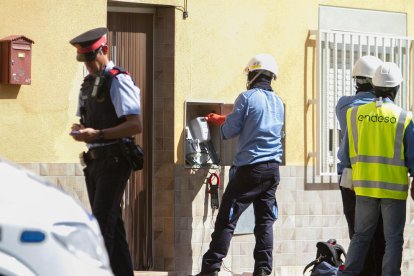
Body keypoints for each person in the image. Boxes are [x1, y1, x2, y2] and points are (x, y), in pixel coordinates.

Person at [196, 54, 284, 276]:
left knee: (226, 219)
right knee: (264, 223)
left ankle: (210, 269)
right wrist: (231, 118)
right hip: (272, 169)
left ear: (252, 75)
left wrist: (221, 123)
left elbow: (230, 130)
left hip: (249, 170)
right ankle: (263, 271)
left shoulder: (246, 97)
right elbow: (257, 122)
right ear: (271, 77)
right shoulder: (279, 102)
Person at [69, 27, 142, 276]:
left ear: (105, 50)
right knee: (112, 225)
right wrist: (81, 130)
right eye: (84, 59)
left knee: (101, 226)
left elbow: (135, 124)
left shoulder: (118, 79)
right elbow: (90, 122)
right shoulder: (88, 84)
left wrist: (98, 134)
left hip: (115, 159)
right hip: (95, 161)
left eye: (92, 57)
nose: (89, 64)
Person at [337, 62, 414, 276]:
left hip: (363, 188)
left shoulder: (354, 114)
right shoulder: (404, 117)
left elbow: (344, 155)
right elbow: (412, 157)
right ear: (396, 88)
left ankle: (348, 274)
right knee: (393, 240)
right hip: (393, 190)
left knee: (360, 236)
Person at [336, 55, 385, 275]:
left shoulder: (344, 105)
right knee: (379, 232)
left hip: (349, 177)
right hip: (377, 176)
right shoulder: (384, 108)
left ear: (356, 80)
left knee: (357, 232)